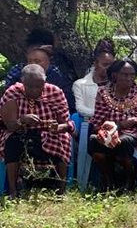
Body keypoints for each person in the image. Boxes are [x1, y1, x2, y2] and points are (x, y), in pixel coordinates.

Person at [87, 59, 137, 191]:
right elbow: (96, 120)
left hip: (134, 133)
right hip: (109, 130)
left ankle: (130, 180)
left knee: (123, 142)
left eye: (132, 75)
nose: (129, 78)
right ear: (115, 75)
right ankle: (109, 181)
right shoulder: (102, 92)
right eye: (125, 74)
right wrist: (106, 129)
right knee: (94, 141)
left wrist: (136, 120)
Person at [0, 64, 73, 195]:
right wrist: (22, 120)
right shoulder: (13, 92)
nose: (34, 90)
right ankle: (13, 190)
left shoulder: (55, 92)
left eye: (39, 86)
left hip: (49, 134)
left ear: (45, 82)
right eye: (30, 86)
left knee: (64, 139)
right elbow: (9, 126)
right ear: (23, 82)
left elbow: (67, 124)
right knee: (11, 141)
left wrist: (57, 127)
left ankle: (61, 190)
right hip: (21, 133)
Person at [3, 41, 75, 113]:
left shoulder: (57, 75)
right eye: (30, 61)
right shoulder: (17, 73)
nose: (33, 64)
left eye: (37, 61)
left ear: (49, 61)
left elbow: (67, 107)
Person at [72, 41, 116, 120]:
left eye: (111, 65)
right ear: (95, 63)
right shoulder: (79, 84)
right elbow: (80, 108)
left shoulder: (118, 84)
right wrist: (102, 115)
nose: (109, 68)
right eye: (105, 65)